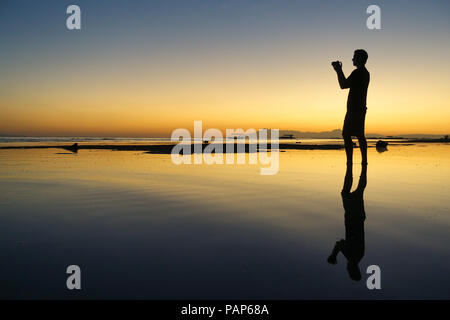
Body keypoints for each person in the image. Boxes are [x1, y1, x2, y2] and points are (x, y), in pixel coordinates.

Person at [327, 164, 367, 281]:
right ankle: (354, 163)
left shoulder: (357, 256)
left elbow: (341, 243)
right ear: (353, 269)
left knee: (358, 189)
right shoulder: (353, 256)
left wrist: (335, 254)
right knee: (347, 192)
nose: (347, 268)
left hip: (357, 217)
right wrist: (334, 255)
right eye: (349, 270)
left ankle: (360, 162)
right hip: (354, 217)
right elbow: (340, 244)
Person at [332, 50, 370, 164]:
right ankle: (364, 161)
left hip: (354, 109)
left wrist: (338, 70)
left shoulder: (358, 72)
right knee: (360, 135)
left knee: (347, 134)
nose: (352, 59)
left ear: (359, 59)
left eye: (354, 57)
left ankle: (350, 162)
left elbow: (343, 85)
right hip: (360, 108)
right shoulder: (365, 73)